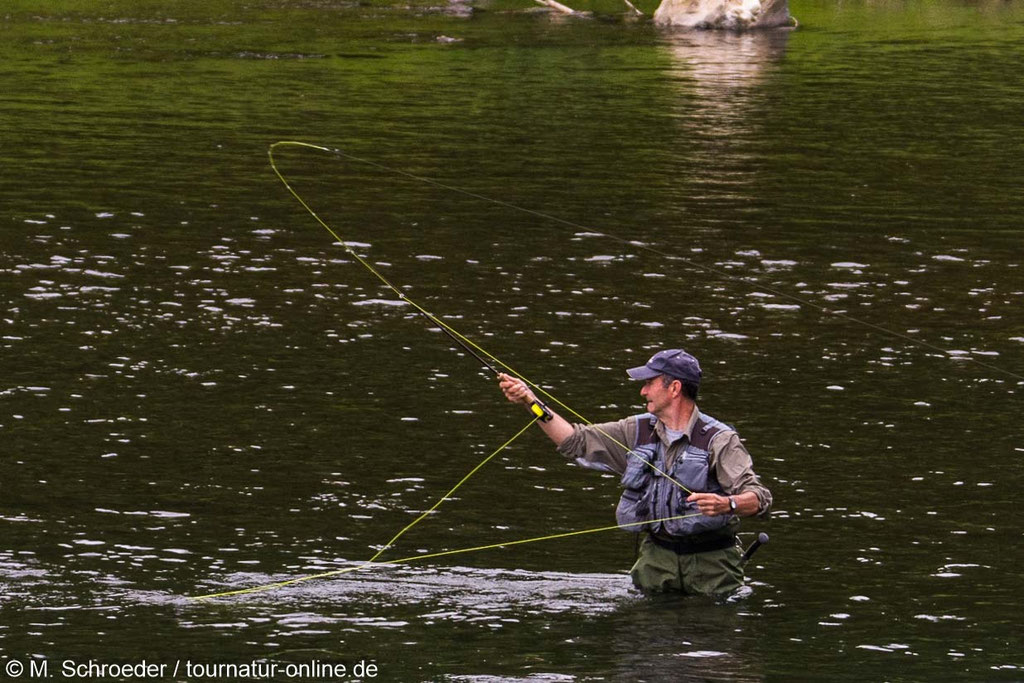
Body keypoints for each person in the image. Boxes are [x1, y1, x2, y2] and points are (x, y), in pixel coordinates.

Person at [498, 348, 771, 597]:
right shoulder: (635, 430)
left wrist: (728, 503)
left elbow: (759, 498)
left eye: (649, 383)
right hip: (655, 564)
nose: (643, 391)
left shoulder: (719, 440)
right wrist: (529, 401)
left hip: (713, 568)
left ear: (674, 388)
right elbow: (575, 441)